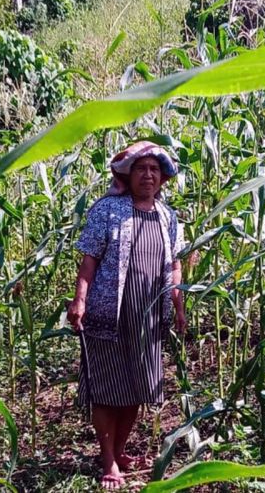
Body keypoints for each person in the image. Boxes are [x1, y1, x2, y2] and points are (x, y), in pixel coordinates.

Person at [67, 141, 187, 489]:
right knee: (106, 389)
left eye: (154, 169)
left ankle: (119, 451)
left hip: (148, 319)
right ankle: (108, 463)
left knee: (136, 387)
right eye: (140, 168)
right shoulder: (107, 210)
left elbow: (175, 265)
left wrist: (178, 305)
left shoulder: (167, 216)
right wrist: (80, 301)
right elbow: (89, 259)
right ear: (127, 174)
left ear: (162, 177)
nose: (147, 175)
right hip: (108, 315)